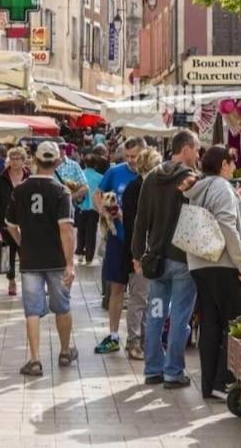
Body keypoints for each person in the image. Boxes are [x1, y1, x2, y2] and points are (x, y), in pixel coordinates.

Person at [132, 129, 200, 389]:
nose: (198, 153)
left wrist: (137, 255)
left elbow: (141, 220)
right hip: (183, 261)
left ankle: (153, 370)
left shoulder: (151, 178)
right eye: (196, 149)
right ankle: (173, 372)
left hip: (156, 263)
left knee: (156, 313)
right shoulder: (192, 180)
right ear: (185, 149)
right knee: (180, 317)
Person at [184, 145, 241, 399]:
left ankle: (209, 383)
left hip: (200, 263)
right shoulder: (221, 187)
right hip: (223, 264)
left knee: (210, 324)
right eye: (232, 162)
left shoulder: (198, 188)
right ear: (224, 164)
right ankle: (225, 382)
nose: (234, 167)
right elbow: (226, 225)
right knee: (237, 324)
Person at [5, 141, 76, 376]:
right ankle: (65, 351)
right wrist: (70, 262)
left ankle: (35, 359)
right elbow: (66, 229)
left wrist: (23, 243)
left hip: (30, 260)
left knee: (32, 311)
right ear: (56, 162)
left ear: (34, 160)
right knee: (62, 307)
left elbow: (11, 225)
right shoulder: (61, 191)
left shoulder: (20, 190)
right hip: (56, 258)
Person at [93, 137, 144, 354]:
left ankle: (138, 337)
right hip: (118, 240)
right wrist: (104, 212)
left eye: (135, 156)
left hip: (140, 243)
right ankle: (113, 335)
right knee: (116, 289)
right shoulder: (115, 172)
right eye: (128, 157)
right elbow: (97, 194)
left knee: (140, 293)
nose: (131, 161)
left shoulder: (150, 174)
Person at [118, 148, 162, 360]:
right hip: (141, 254)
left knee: (145, 299)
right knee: (139, 299)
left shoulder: (139, 186)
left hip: (142, 253)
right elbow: (136, 225)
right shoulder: (140, 187)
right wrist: (139, 255)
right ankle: (134, 342)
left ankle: (143, 341)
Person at [0, 146, 29, 296]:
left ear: (23, 160)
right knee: (10, 251)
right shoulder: (1, 178)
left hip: (26, 222)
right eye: (12, 158)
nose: (14, 161)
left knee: (25, 251)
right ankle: (11, 280)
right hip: (5, 221)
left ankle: (28, 281)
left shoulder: (29, 177)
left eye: (17, 158)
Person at [76, 153, 104, 264]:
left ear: (85, 163)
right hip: (94, 209)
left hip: (81, 208)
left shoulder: (79, 175)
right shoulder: (100, 177)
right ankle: (89, 257)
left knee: (80, 232)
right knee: (91, 233)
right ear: (95, 165)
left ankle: (79, 254)